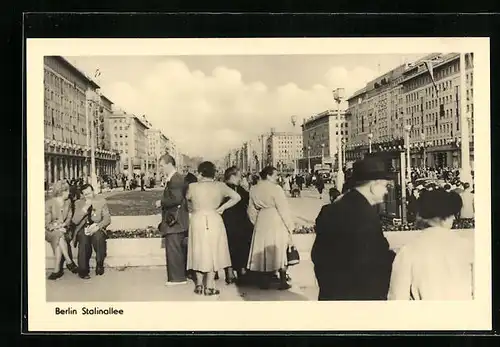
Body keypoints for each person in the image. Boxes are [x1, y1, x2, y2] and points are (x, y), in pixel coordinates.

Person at [311, 156, 395, 300]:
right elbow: (375, 261)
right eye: (385, 186)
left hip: (331, 294)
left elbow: (317, 255)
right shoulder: (365, 215)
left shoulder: (331, 209)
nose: (386, 192)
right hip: (358, 298)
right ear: (373, 186)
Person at [388, 189, 474, 300]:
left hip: (425, 315)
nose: (454, 218)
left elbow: (397, 297)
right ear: (444, 217)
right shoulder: (466, 246)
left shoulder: (408, 250)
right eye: (452, 214)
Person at [186, 161, 241, 296]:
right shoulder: (220, 186)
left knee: (198, 250)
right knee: (212, 251)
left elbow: (187, 199)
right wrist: (222, 207)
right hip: (214, 217)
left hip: (197, 218)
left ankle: (199, 285)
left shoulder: (192, 186)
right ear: (213, 173)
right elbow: (237, 197)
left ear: (200, 173)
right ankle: (209, 286)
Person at [247, 166, 295, 290]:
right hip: (275, 218)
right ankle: (283, 281)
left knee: (262, 249)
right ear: (268, 175)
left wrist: (255, 223)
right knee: (279, 248)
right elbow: (283, 208)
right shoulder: (276, 189)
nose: (277, 177)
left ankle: (264, 281)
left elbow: (251, 210)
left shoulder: (254, 189)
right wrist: (290, 226)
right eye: (275, 175)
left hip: (262, 219)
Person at [155, 154, 189, 286]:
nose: (161, 169)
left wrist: (161, 202)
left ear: (169, 164)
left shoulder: (175, 179)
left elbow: (176, 199)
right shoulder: (176, 178)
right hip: (177, 220)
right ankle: (179, 276)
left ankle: (177, 278)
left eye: (162, 166)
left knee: (173, 248)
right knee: (177, 248)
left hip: (174, 221)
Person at [221, 166, 254, 284]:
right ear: (233, 176)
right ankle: (241, 271)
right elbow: (247, 200)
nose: (241, 178)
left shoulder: (223, 188)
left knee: (228, 247)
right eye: (239, 176)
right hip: (239, 222)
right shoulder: (238, 189)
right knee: (241, 246)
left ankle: (229, 272)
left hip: (228, 221)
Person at [72, 184, 111, 279]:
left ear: (93, 191)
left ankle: (99, 264)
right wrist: (85, 208)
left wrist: (98, 226)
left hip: (97, 226)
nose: (88, 196)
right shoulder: (78, 203)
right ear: (82, 195)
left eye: (89, 193)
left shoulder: (101, 201)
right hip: (83, 228)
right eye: (85, 194)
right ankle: (83, 270)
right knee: (83, 239)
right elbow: (75, 220)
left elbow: (107, 219)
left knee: (98, 237)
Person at [45, 180, 79, 280]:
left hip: (63, 229)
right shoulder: (49, 203)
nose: (69, 193)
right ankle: (69, 261)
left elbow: (69, 218)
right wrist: (57, 227)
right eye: (67, 191)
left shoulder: (68, 202)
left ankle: (57, 270)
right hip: (49, 230)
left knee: (59, 236)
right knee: (59, 235)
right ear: (61, 192)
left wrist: (63, 225)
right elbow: (46, 223)